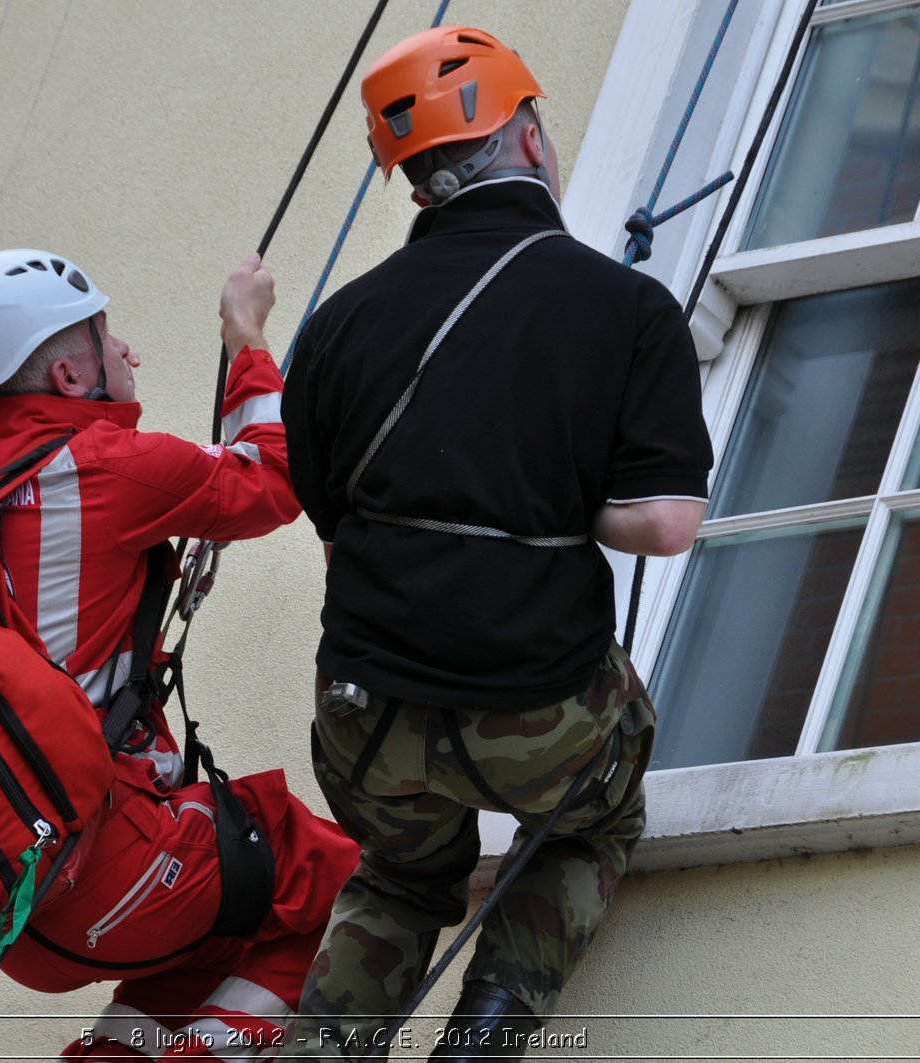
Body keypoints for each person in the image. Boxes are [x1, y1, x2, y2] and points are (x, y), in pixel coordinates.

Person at [279, 26, 713, 1061]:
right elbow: (664, 523)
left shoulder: (335, 328)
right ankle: (483, 1039)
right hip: (536, 702)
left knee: (395, 875)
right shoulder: (623, 308)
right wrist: (564, 507)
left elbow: (341, 539)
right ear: (524, 136)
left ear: (415, 178)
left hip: (364, 712)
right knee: (587, 824)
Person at [0, 247, 359, 1060]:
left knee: (216, 946)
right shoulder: (109, 468)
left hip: (14, 910)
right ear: (66, 373)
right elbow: (275, 474)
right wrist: (246, 333)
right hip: (113, 863)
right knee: (338, 883)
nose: (127, 351)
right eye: (104, 336)